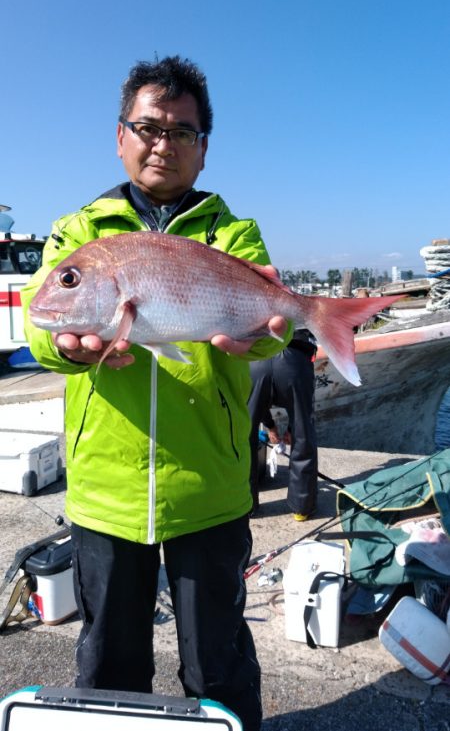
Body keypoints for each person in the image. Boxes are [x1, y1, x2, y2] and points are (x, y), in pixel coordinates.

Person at [22, 56, 290, 731]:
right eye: (148, 127)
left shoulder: (233, 232)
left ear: (204, 148)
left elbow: (269, 333)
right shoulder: (81, 230)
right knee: (109, 667)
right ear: (121, 136)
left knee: (218, 664)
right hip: (106, 493)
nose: (162, 144)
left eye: (181, 132)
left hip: (209, 487)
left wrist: (268, 334)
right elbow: (40, 318)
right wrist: (66, 346)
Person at [248, 329, 318, 519]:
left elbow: (256, 407)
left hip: (256, 359)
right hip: (295, 359)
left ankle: (246, 507)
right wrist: (291, 429)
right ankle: (302, 507)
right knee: (303, 434)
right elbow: (302, 415)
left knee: (245, 434)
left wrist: (270, 425)